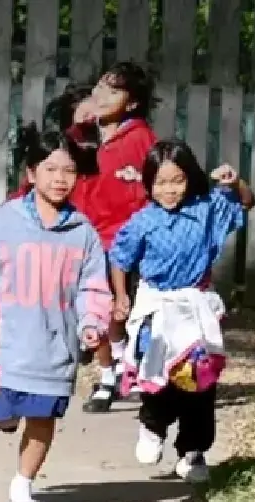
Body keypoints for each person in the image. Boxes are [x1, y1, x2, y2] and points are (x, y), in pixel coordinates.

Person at [0, 125, 112, 502]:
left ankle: (23, 482)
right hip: (6, 346)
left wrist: (91, 323)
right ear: (31, 173)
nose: (60, 179)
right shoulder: (6, 219)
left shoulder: (83, 232)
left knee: (43, 417)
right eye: (50, 169)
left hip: (55, 348)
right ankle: (5, 420)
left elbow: (93, 285)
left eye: (68, 171)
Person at [108, 140, 255, 484]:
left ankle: (193, 451)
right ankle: (152, 423)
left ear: (190, 178)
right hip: (156, 307)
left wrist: (235, 183)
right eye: (160, 182)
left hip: (194, 306)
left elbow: (247, 203)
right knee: (158, 376)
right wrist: (120, 296)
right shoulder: (142, 221)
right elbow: (120, 259)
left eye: (177, 180)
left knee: (198, 378)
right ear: (148, 184)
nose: (169, 190)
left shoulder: (207, 209)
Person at [73, 61, 160, 413]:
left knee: (115, 310)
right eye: (99, 87)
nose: (102, 96)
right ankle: (111, 371)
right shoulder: (81, 134)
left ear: (133, 102)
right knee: (91, 311)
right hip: (82, 236)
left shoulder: (141, 141)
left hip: (122, 241)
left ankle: (121, 373)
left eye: (114, 90)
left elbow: (157, 188)